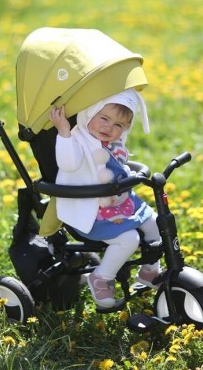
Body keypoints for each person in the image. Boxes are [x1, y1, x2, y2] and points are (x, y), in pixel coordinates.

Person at [50, 89, 162, 308]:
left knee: (156, 223)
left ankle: (150, 271)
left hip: (120, 204)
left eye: (119, 125)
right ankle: (101, 277)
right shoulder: (77, 141)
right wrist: (63, 131)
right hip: (91, 211)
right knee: (129, 238)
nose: (109, 127)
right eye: (104, 118)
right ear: (89, 113)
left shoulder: (113, 145)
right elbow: (68, 164)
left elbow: (117, 167)